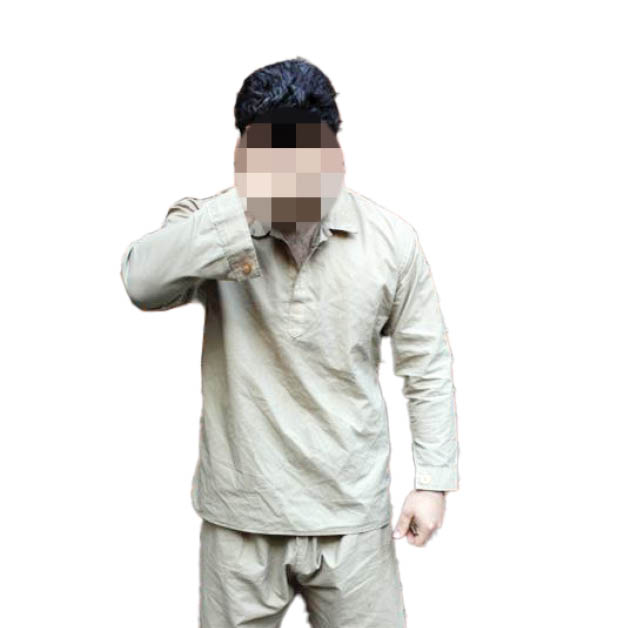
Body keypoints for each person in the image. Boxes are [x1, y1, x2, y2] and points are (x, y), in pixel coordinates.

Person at [120, 56, 459, 628]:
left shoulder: (390, 241)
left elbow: (426, 365)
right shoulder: (210, 223)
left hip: (351, 518)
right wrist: (246, 203)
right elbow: (142, 282)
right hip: (241, 517)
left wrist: (433, 483)